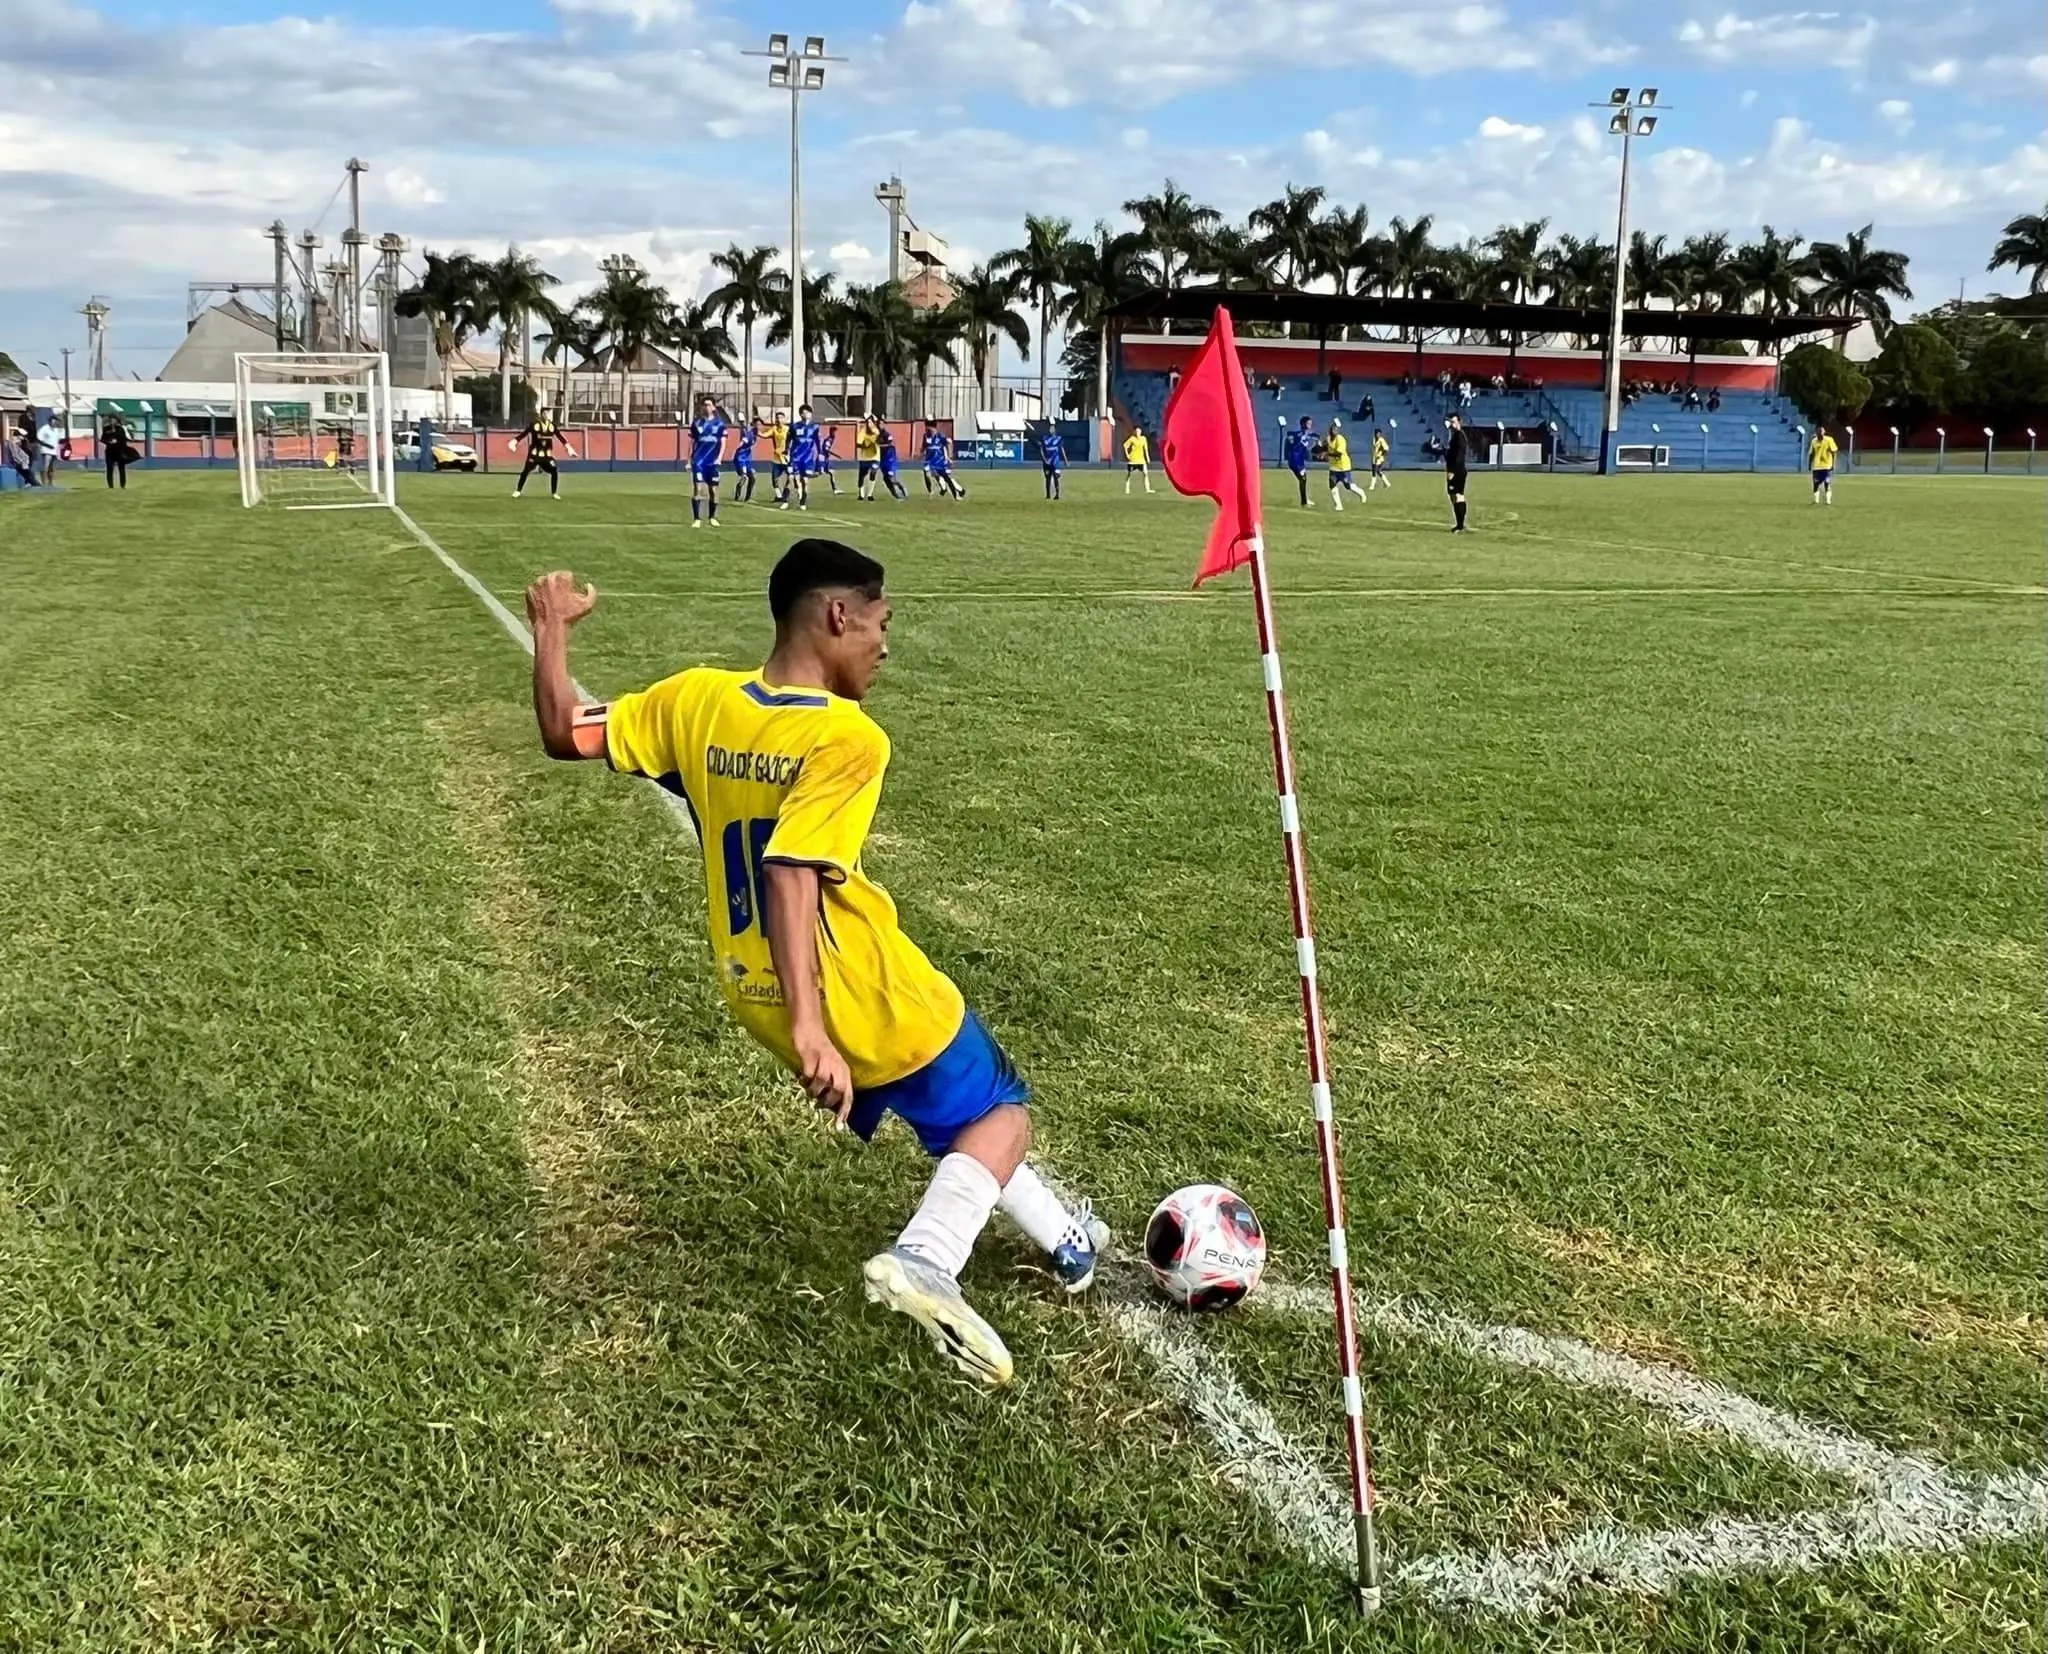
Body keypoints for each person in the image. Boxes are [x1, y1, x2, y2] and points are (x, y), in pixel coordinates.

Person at [523, 544, 1108, 1387]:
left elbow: (562, 733)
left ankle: (1067, 1240)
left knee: (956, 1113)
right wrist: (814, 1027)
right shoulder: (845, 738)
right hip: (849, 983)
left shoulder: (697, 701)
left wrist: (551, 634)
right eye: (881, 622)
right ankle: (926, 1259)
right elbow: (790, 868)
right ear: (839, 615)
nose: (884, 643)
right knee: (1002, 1116)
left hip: (751, 985)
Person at [513, 408, 573, 499]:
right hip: (535, 454)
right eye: (545, 413)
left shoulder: (552, 426)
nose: (547, 415)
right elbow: (525, 433)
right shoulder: (535, 425)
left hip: (546, 456)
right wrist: (515, 441)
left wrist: (568, 447)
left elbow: (560, 437)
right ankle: (518, 491)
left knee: (554, 471)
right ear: (541, 414)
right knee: (525, 472)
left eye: (548, 413)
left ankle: (554, 493)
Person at [688, 394, 728, 529]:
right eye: (704, 405)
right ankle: (697, 519)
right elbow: (692, 443)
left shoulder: (720, 424)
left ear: (714, 407)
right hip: (699, 462)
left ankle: (712, 517)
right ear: (701, 407)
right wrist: (689, 460)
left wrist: (719, 458)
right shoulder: (696, 423)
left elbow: (723, 442)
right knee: (697, 489)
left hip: (713, 462)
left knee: (714, 491)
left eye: (709, 404)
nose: (707, 407)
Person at [781, 405, 820, 511]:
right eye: (804, 413)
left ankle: (803, 502)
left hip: (807, 458)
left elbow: (817, 441)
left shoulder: (815, 427)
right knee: (790, 479)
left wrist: (820, 453)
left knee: (805, 481)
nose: (806, 414)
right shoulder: (794, 426)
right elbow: (788, 439)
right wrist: (786, 450)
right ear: (801, 414)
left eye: (808, 412)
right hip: (795, 457)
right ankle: (785, 501)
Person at [1325, 419, 1365, 511]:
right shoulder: (1328, 438)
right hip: (1333, 467)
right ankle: (1339, 505)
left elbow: (1339, 453)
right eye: (1332, 428)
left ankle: (1361, 492)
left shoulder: (1341, 439)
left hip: (1343, 466)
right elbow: (1325, 446)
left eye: (1336, 429)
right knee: (1332, 485)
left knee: (1348, 485)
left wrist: (1327, 454)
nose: (1334, 430)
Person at [921, 422, 966, 500]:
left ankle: (959, 490)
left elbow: (947, 444)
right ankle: (942, 489)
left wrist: (949, 457)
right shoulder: (926, 436)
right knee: (934, 475)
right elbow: (925, 447)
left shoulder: (940, 436)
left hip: (940, 461)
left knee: (947, 478)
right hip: (930, 461)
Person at [1445, 413, 1471, 533]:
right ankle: (1459, 524)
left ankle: (1460, 525)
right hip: (1456, 470)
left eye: (1454, 422)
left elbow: (1459, 457)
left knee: (1458, 496)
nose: (1452, 424)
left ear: (1459, 422)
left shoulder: (1459, 437)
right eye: (1451, 422)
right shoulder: (1456, 436)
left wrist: (1453, 471)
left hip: (1457, 471)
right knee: (1454, 496)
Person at [1281, 414, 1314, 508]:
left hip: (1300, 461)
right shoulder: (1299, 435)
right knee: (1303, 479)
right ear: (1303, 424)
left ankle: (1305, 500)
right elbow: (1291, 436)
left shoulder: (1307, 435)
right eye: (1308, 423)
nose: (1310, 425)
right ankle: (1304, 502)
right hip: (1294, 461)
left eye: (1311, 423)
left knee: (1303, 479)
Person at [100, 412, 135, 489]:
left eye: (114, 419)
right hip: (109, 451)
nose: (112, 421)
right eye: (111, 419)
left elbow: (124, 440)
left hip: (119, 451)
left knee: (121, 469)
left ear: (116, 420)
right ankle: (110, 486)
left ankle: (122, 485)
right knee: (109, 469)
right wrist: (109, 442)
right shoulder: (106, 429)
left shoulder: (120, 429)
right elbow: (102, 439)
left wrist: (118, 442)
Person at [877, 422, 909, 500]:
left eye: (881, 424)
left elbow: (891, 444)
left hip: (890, 460)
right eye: (878, 424)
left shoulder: (888, 435)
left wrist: (879, 446)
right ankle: (895, 495)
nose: (879, 426)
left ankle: (902, 488)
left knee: (892, 478)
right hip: (882, 461)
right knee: (886, 479)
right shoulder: (878, 436)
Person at [1808, 425, 1839, 506]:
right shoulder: (1814, 441)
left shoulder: (1829, 440)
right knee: (1816, 484)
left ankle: (1828, 500)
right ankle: (1816, 500)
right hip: (1816, 466)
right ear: (1816, 433)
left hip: (1826, 466)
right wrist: (1809, 464)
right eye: (1819, 432)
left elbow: (1834, 452)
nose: (1820, 433)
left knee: (1827, 482)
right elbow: (1811, 454)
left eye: (1822, 432)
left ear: (1824, 432)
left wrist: (1833, 464)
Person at [733, 417, 761, 503]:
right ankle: (737, 496)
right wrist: (737, 448)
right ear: (754, 425)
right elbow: (743, 441)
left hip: (747, 458)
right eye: (758, 424)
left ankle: (747, 498)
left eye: (760, 424)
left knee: (752, 478)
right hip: (740, 458)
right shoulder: (750, 434)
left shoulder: (756, 434)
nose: (759, 426)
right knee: (744, 476)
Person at [855, 415, 882, 500]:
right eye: (868, 422)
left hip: (875, 457)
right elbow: (858, 444)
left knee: (873, 473)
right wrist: (865, 446)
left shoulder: (876, 432)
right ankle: (861, 495)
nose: (869, 424)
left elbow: (879, 440)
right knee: (861, 476)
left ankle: (870, 494)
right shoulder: (862, 431)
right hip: (864, 457)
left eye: (871, 422)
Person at [767, 410, 791, 504]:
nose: (779, 420)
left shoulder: (788, 429)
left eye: (781, 418)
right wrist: (756, 432)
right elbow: (765, 435)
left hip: (786, 457)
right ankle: (778, 496)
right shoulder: (774, 429)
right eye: (777, 418)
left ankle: (786, 494)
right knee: (774, 478)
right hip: (777, 458)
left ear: (784, 419)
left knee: (790, 477)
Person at [1122, 425, 1152, 494]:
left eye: (1139, 431)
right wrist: (1127, 455)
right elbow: (1125, 446)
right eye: (1136, 431)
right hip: (1133, 460)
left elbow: (1145, 449)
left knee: (1145, 473)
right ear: (1135, 432)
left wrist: (1147, 457)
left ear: (1141, 432)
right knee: (1129, 475)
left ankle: (1148, 489)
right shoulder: (1132, 438)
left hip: (1141, 460)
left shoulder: (1143, 439)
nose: (1138, 433)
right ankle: (1127, 489)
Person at [1039, 423, 1064, 501]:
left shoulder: (1058, 438)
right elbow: (1042, 449)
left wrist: (1065, 460)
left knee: (1056, 477)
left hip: (1055, 461)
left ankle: (1057, 494)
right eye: (1050, 429)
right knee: (1047, 478)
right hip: (1047, 462)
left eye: (1053, 429)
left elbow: (1062, 449)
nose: (1051, 430)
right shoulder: (1045, 438)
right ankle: (1048, 495)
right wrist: (1044, 459)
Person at [818, 425, 842, 495]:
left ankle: (835, 489)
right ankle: (802, 481)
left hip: (825, 458)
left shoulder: (832, 438)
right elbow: (826, 449)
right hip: (823, 458)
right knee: (820, 473)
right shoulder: (829, 440)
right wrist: (836, 455)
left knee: (831, 473)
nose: (835, 433)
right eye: (834, 431)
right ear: (831, 431)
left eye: (835, 431)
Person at [1368, 427, 1391, 492]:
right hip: (1374, 458)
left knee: (1374, 471)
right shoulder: (1374, 439)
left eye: (1378, 433)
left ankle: (1372, 486)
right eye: (1376, 433)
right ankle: (1387, 483)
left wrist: (1381, 455)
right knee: (1378, 471)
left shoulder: (1381, 440)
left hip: (1379, 458)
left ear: (1380, 434)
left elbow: (1386, 449)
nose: (1377, 434)